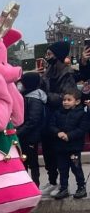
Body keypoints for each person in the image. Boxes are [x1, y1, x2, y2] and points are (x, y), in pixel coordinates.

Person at [41, 41, 78, 195]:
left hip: (60, 117)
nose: (47, 57)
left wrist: (46, 96)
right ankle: (51, 181)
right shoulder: (48, 71)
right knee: (48, 151)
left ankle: (63, 185)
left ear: (58, 55)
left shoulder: (67, 73)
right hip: (47, 116)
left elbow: (67, 96)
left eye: (50, 54)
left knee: (59, 153)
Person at [50, 88, 88, 200]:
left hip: (74, 148)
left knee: (76, 168)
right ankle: (64, 188)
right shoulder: (57, 113)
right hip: (60, 148)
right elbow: (51, 125)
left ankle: (81, 187)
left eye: (69, 100)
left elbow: (82, 129)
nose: (65, 102)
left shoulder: (82, 114)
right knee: (62, 169)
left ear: (77, 102)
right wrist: (58, 132)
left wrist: (69, 136)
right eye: (64, 100)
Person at [17, 72, 47, 187]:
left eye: (22, 82)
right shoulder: (26, 95)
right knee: (23, 162)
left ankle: (35, 186)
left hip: (30, 136)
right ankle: (26, 186)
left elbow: (33, 120)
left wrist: (18, 132)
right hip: (25, 135)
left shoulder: (34, 98)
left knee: (32, 163)